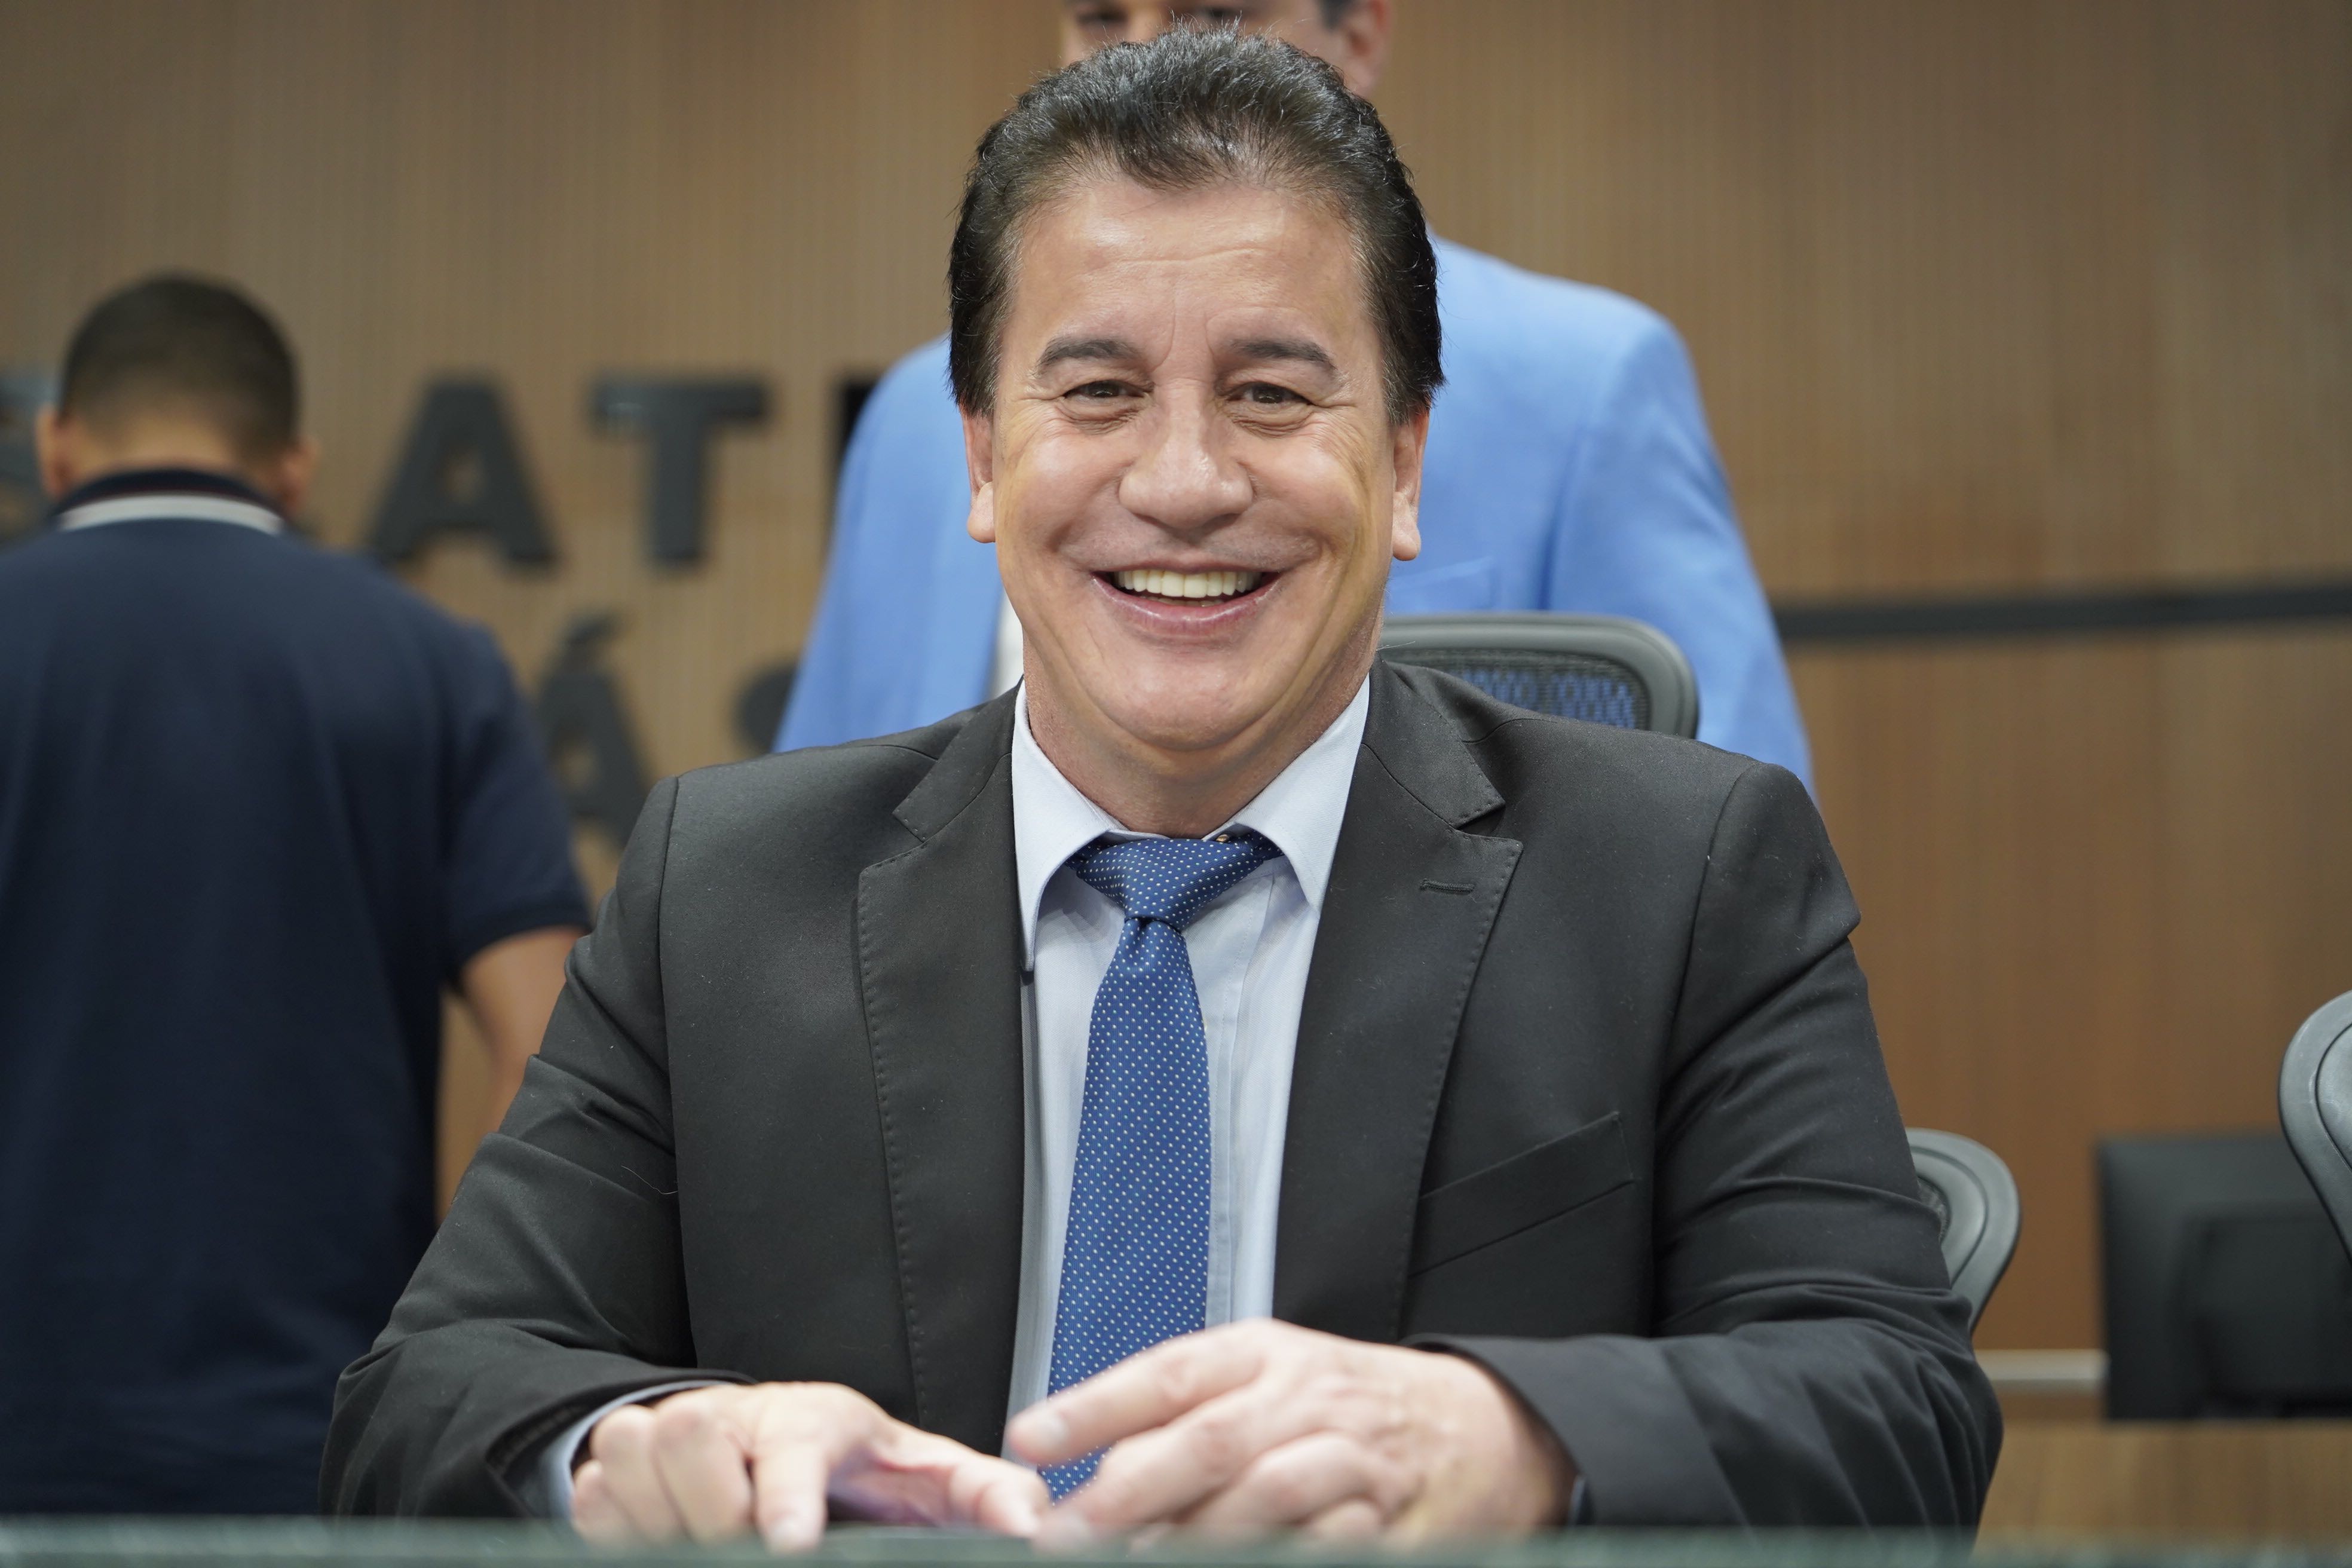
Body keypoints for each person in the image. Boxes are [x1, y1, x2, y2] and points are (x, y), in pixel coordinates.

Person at [326, 33, 1993, 1545]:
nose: (1184, 482)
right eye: (1098, 391)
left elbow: (1899, 1408)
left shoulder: (1683, 874)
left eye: (1271, 393)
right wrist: (630, 1444)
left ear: (1405, 459)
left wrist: (1511, 1436)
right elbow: (421, 1401)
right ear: (984, 457)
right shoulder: (723, 892)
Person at [778, 0, 1811, 786]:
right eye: (1100, 18)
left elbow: (1723, 854)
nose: (1145, 56)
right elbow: (832, 849)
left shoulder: (1584, 383)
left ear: (1359, 35)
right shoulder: (915, 419)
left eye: (1209, 14)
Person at [0, 276, 589, 1514]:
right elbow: (548, 1050)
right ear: (294, 467)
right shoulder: (434, 664)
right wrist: (450, 1360)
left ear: (55, 445)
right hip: (316, 1441)